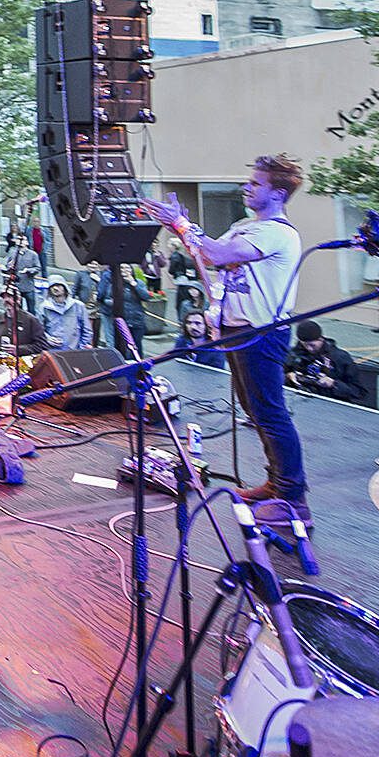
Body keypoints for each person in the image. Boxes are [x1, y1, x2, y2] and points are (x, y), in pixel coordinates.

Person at [144, 154, 308, 526]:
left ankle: (294, 499)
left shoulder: (277, 232)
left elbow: (216, 253)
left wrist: (183, 224)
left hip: (262, 332)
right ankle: (277, 483)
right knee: (255, 411)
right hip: (239, 329)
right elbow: (206, 256)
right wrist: (180, 231)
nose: (246, 187)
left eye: (256, 183)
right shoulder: (244, 226)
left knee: (270, 412)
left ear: (278, 193)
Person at [285, 320, 366, 401]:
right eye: (305, 345)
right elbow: (277, 375)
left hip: (331, 403)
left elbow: (359, 392)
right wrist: (288, 376)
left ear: (321, 339)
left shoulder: (340, 358)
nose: (309, 348)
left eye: (312, 345)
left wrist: (334, 384)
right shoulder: (294, 354)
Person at [0, 287, 51, 357]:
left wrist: (19, 350)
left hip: (24, 364)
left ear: (18, 299)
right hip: (1, 364)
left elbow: (42, 346)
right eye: (4, 297)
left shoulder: (31, 320)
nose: (6, 300)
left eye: (9, 297)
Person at [41, 280, 91, 350]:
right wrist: (47, 338)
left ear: (65, 288)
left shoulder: (78, 305)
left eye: (58, 285)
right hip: (53, 351)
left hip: (75, 350)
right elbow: (39, 330)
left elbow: (87, 329)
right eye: (52, 286)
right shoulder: (44, 307)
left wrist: (82, 348)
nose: (55, 288)